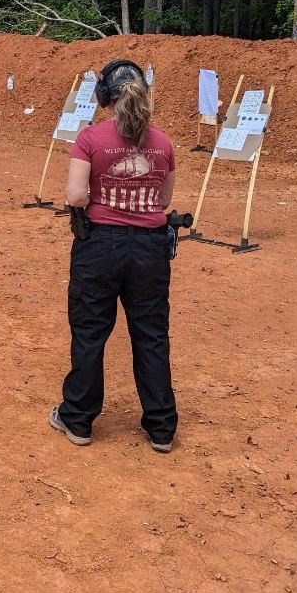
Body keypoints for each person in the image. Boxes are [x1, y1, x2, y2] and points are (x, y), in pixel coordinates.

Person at [49, 59, 179, 454]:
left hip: (99, 245)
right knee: (151, 335)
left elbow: (74, 197)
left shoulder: (90, 138)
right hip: (150, 249)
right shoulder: (164, 143)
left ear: (104, 96)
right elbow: (165, 200)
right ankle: (160, 427)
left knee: (90, 332)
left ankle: (78, 419)